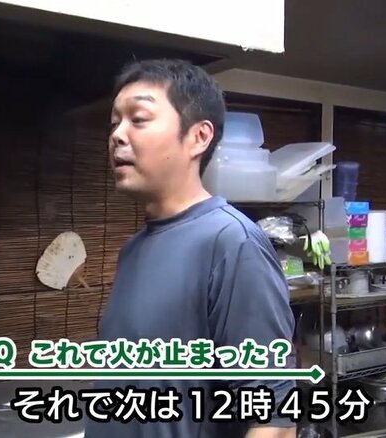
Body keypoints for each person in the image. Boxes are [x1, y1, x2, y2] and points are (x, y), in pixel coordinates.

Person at [84, 58, 296, 438]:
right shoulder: (133, 250)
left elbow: (274, 421)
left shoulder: (233, 243)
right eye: (114, 122)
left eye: (138, 119)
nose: (117, 135)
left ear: (198, 137)